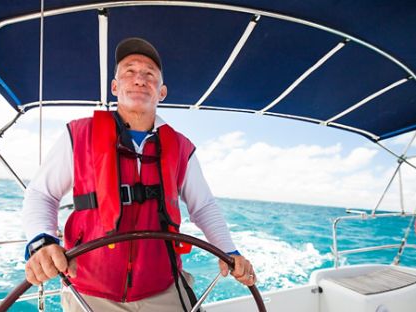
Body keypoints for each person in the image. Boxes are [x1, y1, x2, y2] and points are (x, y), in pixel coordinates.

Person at [22, 37, 256, 311]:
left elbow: (203, 205)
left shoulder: (181, 148)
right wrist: (42, 241)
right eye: (129, 72)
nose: (139, 79)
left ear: (162, 91)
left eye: (149, 75)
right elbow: (41, 193)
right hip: (88, 290)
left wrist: (229, 251)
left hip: (163, 288)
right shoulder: (78, 134)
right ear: (115, 87)